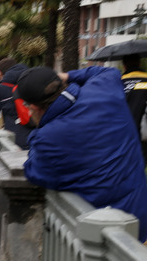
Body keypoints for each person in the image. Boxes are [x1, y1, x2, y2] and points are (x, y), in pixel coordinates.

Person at [17, 66, 147, 242]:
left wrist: (37, 133)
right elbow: (108, 72)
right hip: (140, 221)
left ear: (33, 107)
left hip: (98, 238)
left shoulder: (47, 139)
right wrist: (69, 75)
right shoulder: (104, 90)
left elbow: (35, 172)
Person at [0, 58, 31, 149]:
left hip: (15, 139)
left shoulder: (2, 88)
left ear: (0, 73)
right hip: (36, 136)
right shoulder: (30, 80)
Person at [121, 53, 147, 165]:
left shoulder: (118, 82)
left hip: (123, 132)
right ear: (139, 63)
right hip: (144, 132)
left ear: (124, 66)